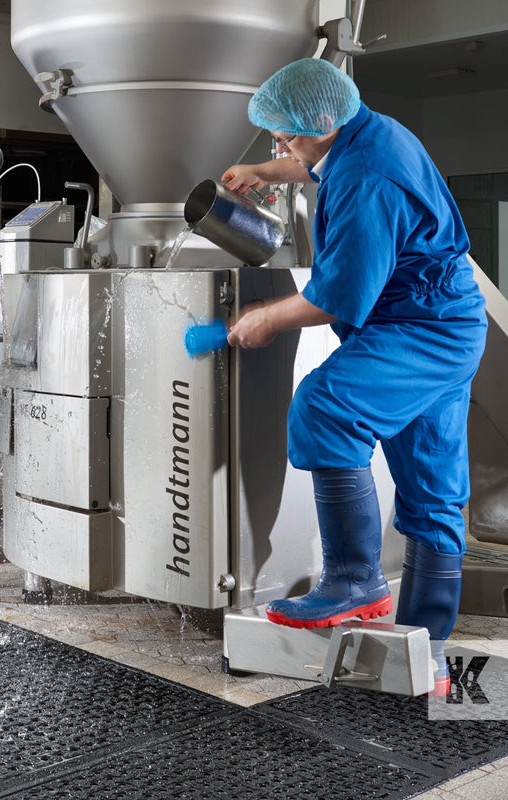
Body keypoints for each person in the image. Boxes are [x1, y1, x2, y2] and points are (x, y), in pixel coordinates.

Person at [222, 58, 487, 692]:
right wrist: (262, 171)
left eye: (282, 135)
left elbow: (339, 297)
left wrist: (265, 319)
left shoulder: (368, 177)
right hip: (448, 322)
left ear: (319, 120)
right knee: (433, 493)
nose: (279, 145)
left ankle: (351, 581)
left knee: (324, 407)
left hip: (418, 331)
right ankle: (429, 658)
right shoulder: (365, 131)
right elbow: (314, 159)